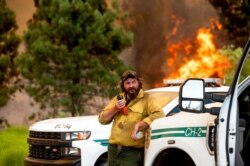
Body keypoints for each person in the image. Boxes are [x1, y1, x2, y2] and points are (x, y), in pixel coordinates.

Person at [98, 70, 164, 166]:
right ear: (123, 85)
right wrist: (115, 109)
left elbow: (160, 114)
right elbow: (102, 119)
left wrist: (139, 125)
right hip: (113, 150)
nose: (131, 85)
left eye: (134, 82)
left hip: (132, 153)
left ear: (139, 83)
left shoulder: (147, 99)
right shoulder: (118, 98)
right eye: (128, 83)